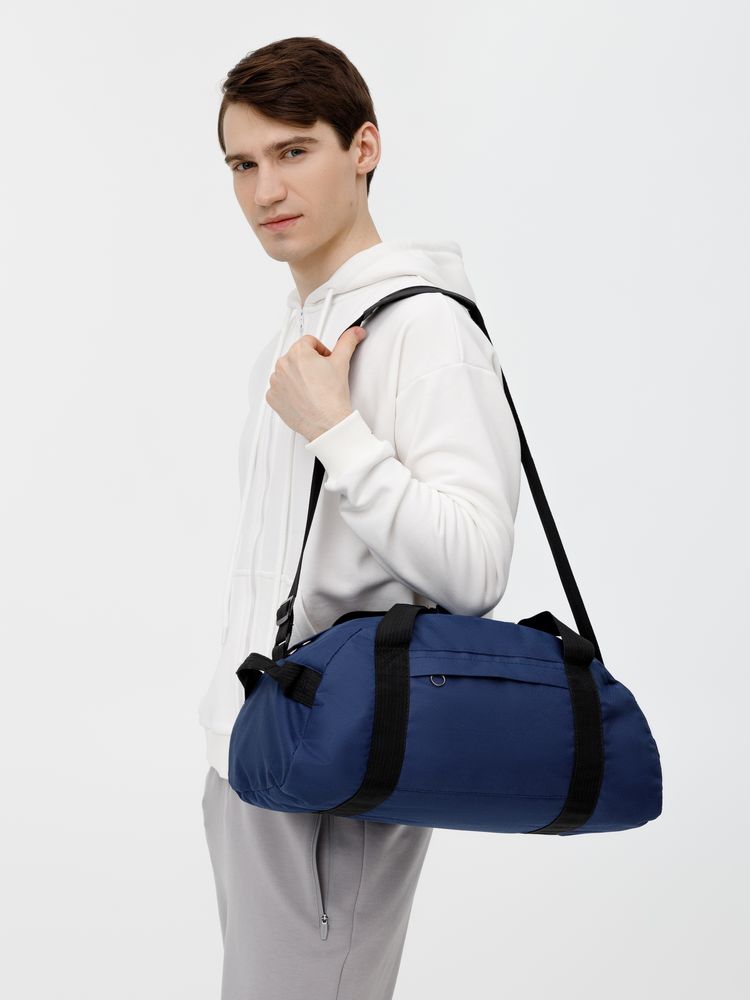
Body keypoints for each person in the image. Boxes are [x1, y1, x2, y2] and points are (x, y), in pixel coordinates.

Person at [198, 35, 522, 1000]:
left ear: (364, 148)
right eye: (243, 165)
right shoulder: (293, 338)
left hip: (338, 767)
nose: (266, 191)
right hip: (253, 752)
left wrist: (338, 433)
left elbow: (474, 567)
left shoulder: (428, 329)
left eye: (294, 151)